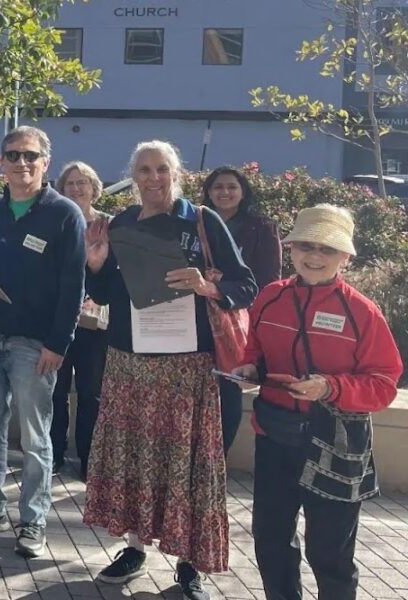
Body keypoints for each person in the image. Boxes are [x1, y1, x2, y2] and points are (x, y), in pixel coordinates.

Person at [82, 141, 258, 600]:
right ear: (133, 175)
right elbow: (102, 294)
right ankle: (135, 549)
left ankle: (187, 563)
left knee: (186, 468)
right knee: (133, 459)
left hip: (187, 366)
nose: (153, 177)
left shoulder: (199, 220)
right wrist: (96, 263)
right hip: (129, 362)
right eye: (144, 169)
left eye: (162, 169)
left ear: (176, 173)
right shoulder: (119, 224)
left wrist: (206, 286)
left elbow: (246, 283)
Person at [233, 204, 402, 600]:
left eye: (327, 249)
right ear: (290, 248)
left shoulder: (363, 312)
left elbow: (384, 384)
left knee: (330, 553)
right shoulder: (270, 297)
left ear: (345, 257)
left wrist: (330, 387)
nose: (314, 256)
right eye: (305, 245)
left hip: (336, 443)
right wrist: (247, 367)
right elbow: (253, 348)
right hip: (274, 437)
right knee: (271, 541)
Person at [0, 126, 85, 560]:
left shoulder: (64, 214)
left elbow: (73, 286)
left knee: (35, 438)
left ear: (45, 163)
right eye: (13, 155)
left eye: (30, 156)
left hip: (36, 345)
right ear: (1, 162)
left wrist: (58, 344)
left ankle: (33, 520)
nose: (21, 164)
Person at [203, 166, 282, 451]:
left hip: (239, 320)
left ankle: (219, 458)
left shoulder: (260, 227)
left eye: (231, 187)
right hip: (198, 319)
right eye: (218, 187)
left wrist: (226, 283)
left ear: (243, 191)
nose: (224, 192)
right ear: (209, 192)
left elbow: (269, 279)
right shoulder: (198, 223)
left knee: (228, 388)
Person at [50, 161, 112, 479]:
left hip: (96, 325)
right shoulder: (56, 223)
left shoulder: (108, 226)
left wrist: (97, 281)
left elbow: (117, 273)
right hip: (60, 319)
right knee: (56, 391)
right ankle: (54, 454)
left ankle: (89, 459)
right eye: (70, 183)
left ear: (94, 187)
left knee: (91, 392)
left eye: (83, 182)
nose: (76, 188)